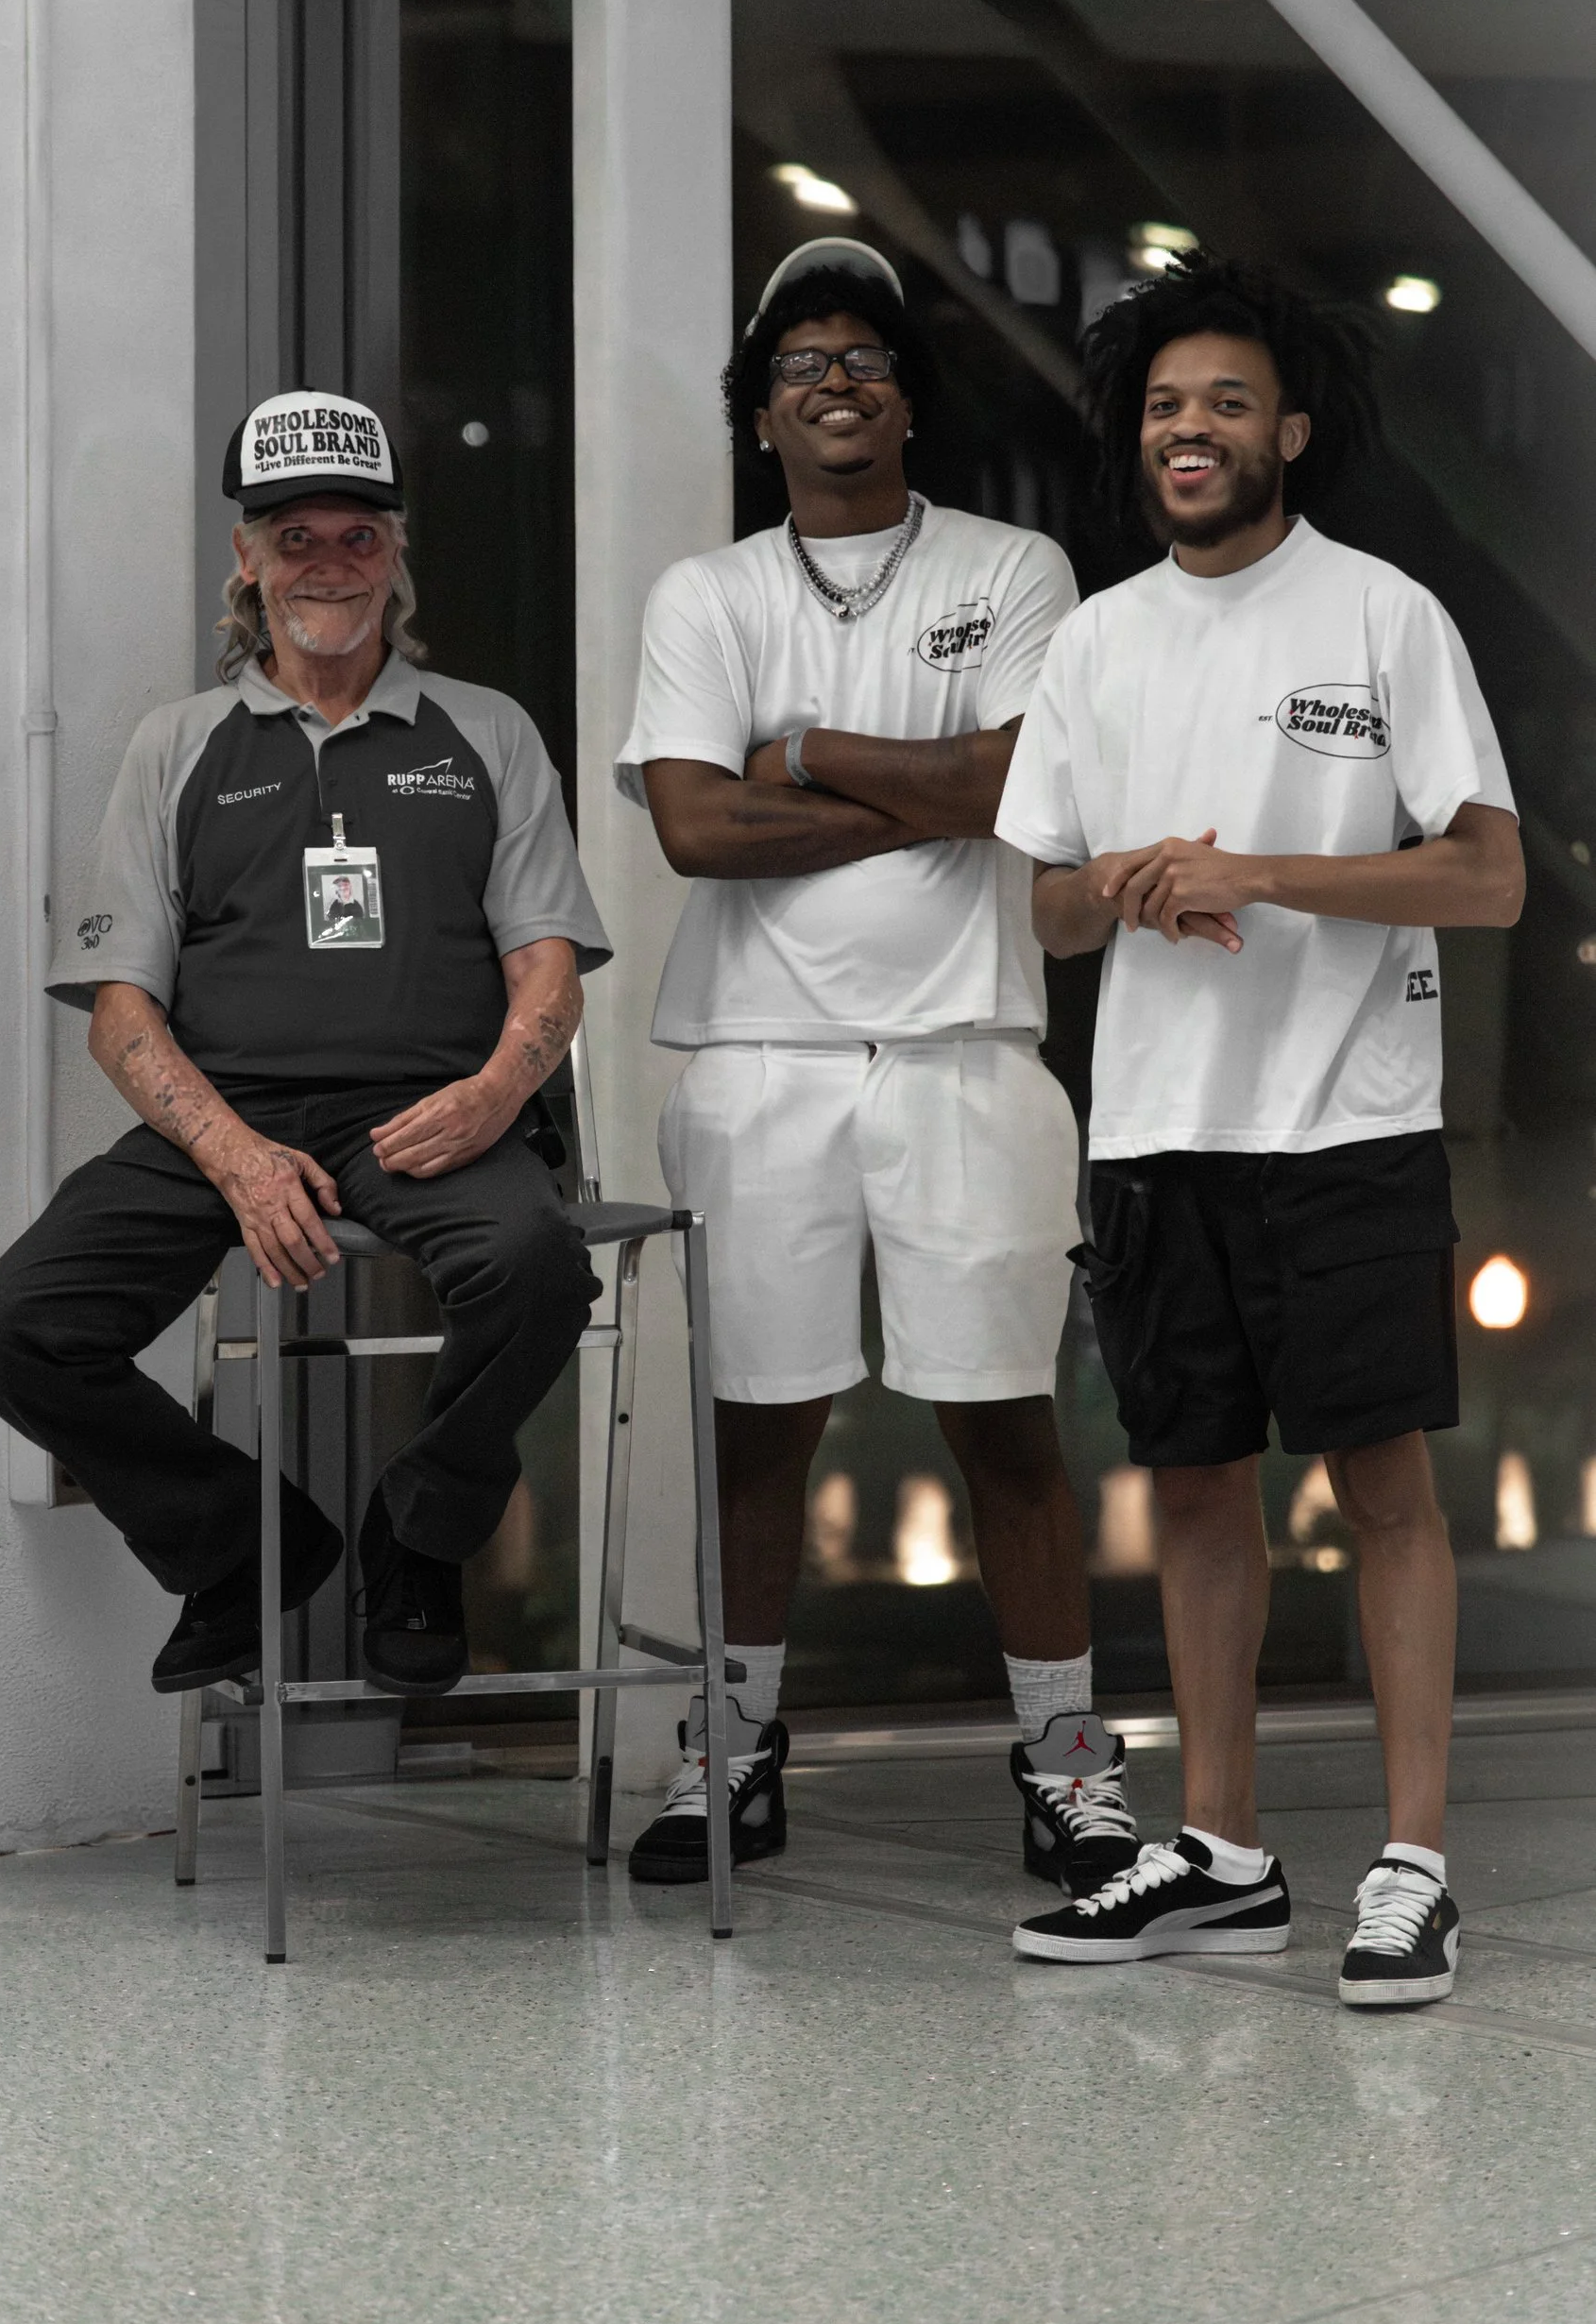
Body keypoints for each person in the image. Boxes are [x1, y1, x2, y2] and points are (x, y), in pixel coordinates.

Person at [996, 253, 1521, 2007]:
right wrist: (1132, 889)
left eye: (1225, 401)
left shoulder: (1383, 614)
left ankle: (1413, 1864)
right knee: (1197, 1482)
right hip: (1156, 1126)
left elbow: (1490, 872)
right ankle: (1217, 1851)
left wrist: (1258, 870)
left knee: (1382, 1490)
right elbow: (1048, 913)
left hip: (1349, 1122)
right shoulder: (1097, 638)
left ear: (1289, 427)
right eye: (1163, 408)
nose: (1191, 430)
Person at [0, 390, 607, 1697]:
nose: (326, 562)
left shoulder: (487, 730)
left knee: (537, 1264)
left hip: (431, 1111)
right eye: (292, 535)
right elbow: (124, 1009)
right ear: (245, 558)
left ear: (397, 550)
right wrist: (239, 1158)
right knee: (13, 1328)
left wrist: (492, 1094)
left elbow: (549, 973)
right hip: (227, 1111)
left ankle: (418, 1533)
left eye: (356, 536)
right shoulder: (180, 745)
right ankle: (243, 1545)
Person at [617, 235, 1119, 1891]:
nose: (835, 384)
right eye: (801, 366)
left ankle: (1066, 1763)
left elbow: (1021, 786)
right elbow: (696, 826)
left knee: (1009, 1424)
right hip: (758, 1057)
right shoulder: (711, 594)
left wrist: (813, 751)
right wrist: (932, 781)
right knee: (762, 1425)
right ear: (760, 418)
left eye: (865, 361)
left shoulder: (1016, 566)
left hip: (969, 1044)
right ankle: (735, 1754)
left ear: (909, 399)